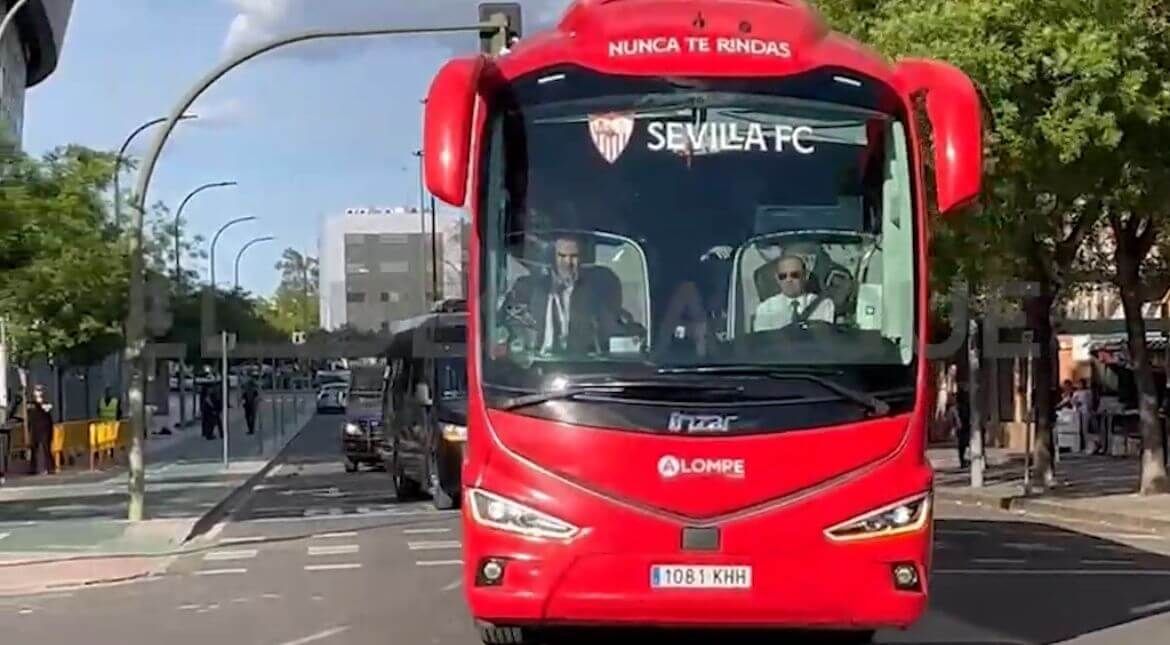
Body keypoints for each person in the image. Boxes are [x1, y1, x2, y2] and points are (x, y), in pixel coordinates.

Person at [500, 234, 619, 355]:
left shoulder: (597, 293)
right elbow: (508, 327)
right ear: (551, 259)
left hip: (580, 366)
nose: (568, 262)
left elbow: (610, 330)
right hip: (533, 366)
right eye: (562, 256)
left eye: (574, 256)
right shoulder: (526, 289)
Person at [752, 254, 835, 331]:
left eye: (795, 275)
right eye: (783, 276)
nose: (788, 280)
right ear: (777, 279)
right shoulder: (765, 309)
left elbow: (824, 337)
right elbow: (763, 342)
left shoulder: (823, 305)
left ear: (806, 276)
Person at [28, 385, 54, 475]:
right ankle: (33, 469)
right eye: (36, 391)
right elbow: (29, 413)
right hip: (35, 427)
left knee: (46, 447)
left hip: (44, 428)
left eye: (39, 391)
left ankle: (50, 468)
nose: (38, 392)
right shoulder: (31, 403)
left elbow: (47, 409)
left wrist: (41, 403)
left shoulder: (46, 402)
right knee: (33, 448)